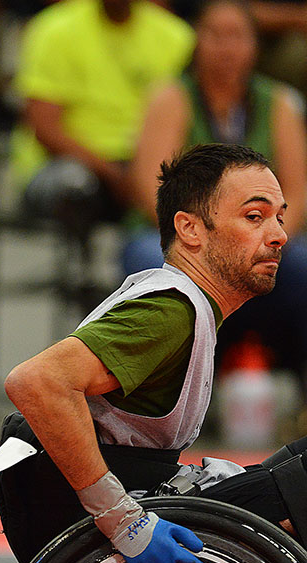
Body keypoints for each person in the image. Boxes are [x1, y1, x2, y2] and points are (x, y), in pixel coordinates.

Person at [0, 143, 297, 563]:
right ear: (190, 229)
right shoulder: (170, 310)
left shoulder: (185, 305)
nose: (278, 235)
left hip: (134, 493)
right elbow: (35, 382)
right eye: (255, 217)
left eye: (279, 218)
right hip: (97, 519)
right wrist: (122, 521)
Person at [130, 0, 307, 385]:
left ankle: (297, 393)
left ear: (255, 45)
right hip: (186, 236)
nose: (227, 47)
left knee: (302, 263)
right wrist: (212, 243)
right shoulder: (171, 98)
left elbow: (297, 192)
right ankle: (159, 399)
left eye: (237, 36)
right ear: (197, 40)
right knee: (147, 258)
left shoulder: (279, 103)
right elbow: (152, 189)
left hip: (260, 236)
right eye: (216, 35)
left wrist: (268, 238)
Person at [10, 0, 193, 260]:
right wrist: (113, 174)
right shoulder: (54, 29)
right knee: (75, 185)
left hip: (145, 166)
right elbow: (44, 128)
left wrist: (142, 176)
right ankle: (79, 270)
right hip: (67, 166)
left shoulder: (176, 36)